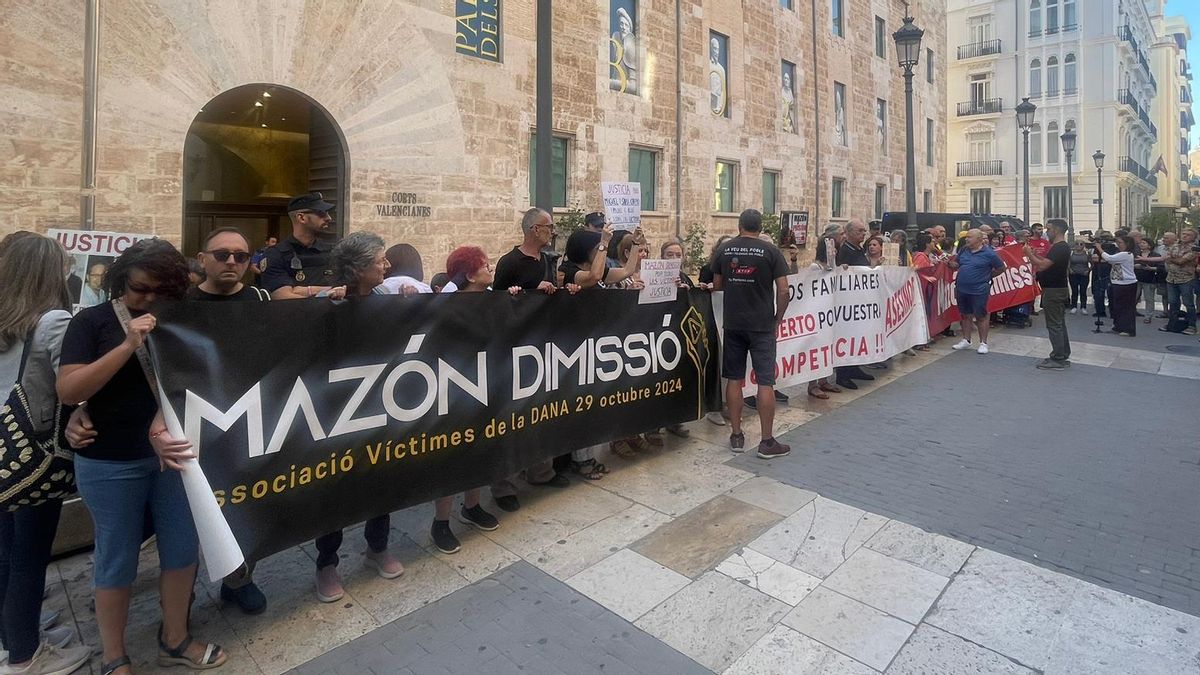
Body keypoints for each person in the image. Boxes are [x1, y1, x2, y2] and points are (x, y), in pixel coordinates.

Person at [57, 239, 227, 675]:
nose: (149, 299)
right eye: (139, 289)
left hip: (175, 457)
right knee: (117, 557)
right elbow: (70, 390)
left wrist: (160, 424)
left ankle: (175, 639)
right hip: (109, 460)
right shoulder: (92, 322)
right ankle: (114, 656)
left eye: (161, 292)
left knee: (182, 549)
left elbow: (200, 381)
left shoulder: (183, 320)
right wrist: (126, 345)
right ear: (120, 281)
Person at [0, 236, 92, 675]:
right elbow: (75, 387)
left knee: (5, 550)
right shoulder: (53, 321)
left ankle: (12, 634)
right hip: (33, 452)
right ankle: (24, 656)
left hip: (2, 447)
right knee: (29, 555)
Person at [308, 233, 405, 603]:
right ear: (357, 268)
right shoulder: (327, 301)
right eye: (380, 260)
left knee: (382, 477)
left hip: (380, 403)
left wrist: (409, 309)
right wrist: (324, 309)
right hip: (338, 411)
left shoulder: (385, 299)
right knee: (335, 485)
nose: (387, 265)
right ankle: (326, 562)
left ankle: (377, 547)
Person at [488, 209, 572, 510]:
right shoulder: (510, 262)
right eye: (549, 226)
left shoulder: (548, 261)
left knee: (543, 412)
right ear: (535, 229)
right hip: (515, 349)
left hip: (544, 345)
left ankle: (541, 471)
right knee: (513, 419)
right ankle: (504, 486)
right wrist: (527, 293)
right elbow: (497, 303)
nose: (553, 231)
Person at [429, 246, 503, 552]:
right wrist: (453, 284)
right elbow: (432, 312)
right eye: (485, 265)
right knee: (450, 456)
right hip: (453, 389)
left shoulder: (492, 299)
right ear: (469, 275)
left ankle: (472, 506)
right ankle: (441, 522)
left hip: (485, 384)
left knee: (480, 448)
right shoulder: (448, 303)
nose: (491, 269)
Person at [712, 209, 791, 459]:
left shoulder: (724, 250)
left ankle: (736, 435)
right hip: (762, 324)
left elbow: (717, 285)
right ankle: (767, 441)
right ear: (760, 227)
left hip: (734, 323)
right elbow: (784, 290)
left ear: (739, 226)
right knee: (765, 382)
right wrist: (778, 318)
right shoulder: (771, 251)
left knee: (734, 379)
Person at [260, 192, 338, 299]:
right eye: (321, 213)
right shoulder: (276, 255)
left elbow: (344, 289)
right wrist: (326, 291)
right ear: (301, 218)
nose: (328, 218)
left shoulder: (333, 252)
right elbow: (282, 297)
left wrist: (299, 290)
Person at [834, 220, 876, 389]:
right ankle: (843, 374)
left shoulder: (858, 248)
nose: (863, 234)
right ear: (849, 232)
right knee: (847, 336)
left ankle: (854, 367)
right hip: (848, 304)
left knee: (858, 336)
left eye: (864, 231)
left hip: (859, 302)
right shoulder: (845, 250)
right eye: (860, 231)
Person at [1025, 220, 1072, 370]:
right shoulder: (1059, 247)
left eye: (1049, 229)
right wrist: (1034, 255)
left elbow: (1043, 265)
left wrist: (1028, 254)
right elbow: (1046, 262)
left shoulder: (1059, 247)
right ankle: (1062, 354)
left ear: (1057, 230)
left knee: (1054, 324)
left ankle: (1058, 358)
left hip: (1054, 290)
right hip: (1055, 289)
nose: (1046, 232)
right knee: (1059, 323)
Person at [949, 229, 1005, 354]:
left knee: (981, 315)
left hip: (979, 289)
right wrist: (951, 264)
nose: (967, 239)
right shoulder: (964, 250)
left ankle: (983, 343)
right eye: (967, 237)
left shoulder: (989, 254)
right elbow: (958, 263)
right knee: (965, 314)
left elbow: (1001, 268)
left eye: (970, 237)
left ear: (979, 239)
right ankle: (966, 340)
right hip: (962, 288)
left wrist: (987, 276)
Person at [807, 225, 846, 397]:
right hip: (818, 314)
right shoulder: (815, 267)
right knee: (816, 348)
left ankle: (824, 380)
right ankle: (812, 384)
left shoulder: (832, 265)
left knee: (827, 346)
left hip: (829, 313)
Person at [186, 228, 271, 302]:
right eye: (221, 254)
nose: (231, 261)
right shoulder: (183, 299)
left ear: (248, 261)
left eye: (240, 256)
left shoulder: (261, 298)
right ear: (202, 260)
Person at [1096, 235, 1138, 337]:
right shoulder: (1121, 254)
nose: (1118, 245)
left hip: (1126, 283)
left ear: (1127, 244)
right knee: (1118, 306)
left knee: (1126, 307)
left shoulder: (1126, 254)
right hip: (1118, 282)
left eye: (1120, 243)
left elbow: (1109, 258)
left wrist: (1099, 248)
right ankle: (1118, 326)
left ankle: (1128, 329)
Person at [1160, 229, 1197, 334]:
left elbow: (1181, 261)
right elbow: (1167, 257)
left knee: (1188, 303)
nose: (1185, 236)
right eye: (1184, 234)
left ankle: (1192, 326)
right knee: (1173, 302)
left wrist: (1172, 259)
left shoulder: (1194, 248)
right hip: (1171, 278)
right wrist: (1172, 259)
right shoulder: (1175, 246)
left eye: (1188, 235)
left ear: (1193, 238)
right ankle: (1172, 324)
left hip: (1186, 278)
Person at [1133, 238, 1161, 325]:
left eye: (1144, 243)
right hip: (1136, 278)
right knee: (1133, 297)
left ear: (1149, 245)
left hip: (1149, 279)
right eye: (1141, 243)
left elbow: (1160, 268)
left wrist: (1151, 268)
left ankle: (1148, 316)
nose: (1141, 244)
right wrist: (1135, 266)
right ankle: (1131, 312)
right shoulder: (1136, 254)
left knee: (1149, 299)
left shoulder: (1155, 255)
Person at [1089, 234, 1112, 318]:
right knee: (1097, 293)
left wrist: (1101, 257)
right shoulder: (1095, 249)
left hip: (1108, 272)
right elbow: (1093, 258)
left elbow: (1110, 259)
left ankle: (1113, 311)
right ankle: (1100, 311)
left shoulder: (1112, 247)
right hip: (1097, 271)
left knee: (1110, 293)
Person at [1067, 241, 1090, 314]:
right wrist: (1070, 269)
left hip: (1084, 275)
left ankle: (1083, 307)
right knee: (1074, 291)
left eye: (1081, 244)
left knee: (1083, 291)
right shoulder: (1071, 253)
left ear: (1084, 245)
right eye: (1077, 244)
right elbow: (1068, 263)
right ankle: (1074, 306)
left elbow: (1092, 264)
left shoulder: (1087, 253)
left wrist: (1088, 270)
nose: (1079, 245)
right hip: (1073, 274)